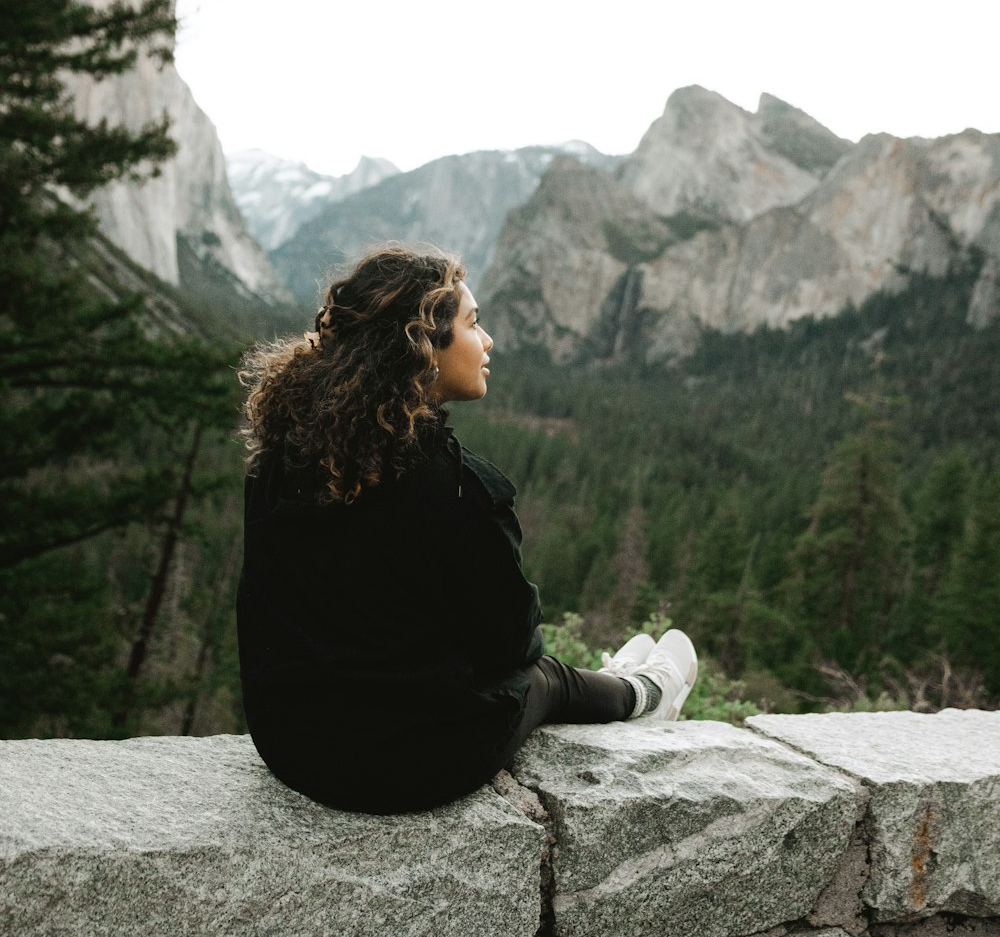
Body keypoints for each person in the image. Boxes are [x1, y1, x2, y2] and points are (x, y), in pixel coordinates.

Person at [237, 244, 697, 814]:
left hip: (291, 745)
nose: (488, 341)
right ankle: (644, 694)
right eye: (473, 324)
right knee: (540, 679)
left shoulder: (282, 458)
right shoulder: (457, 489)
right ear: (422, 348)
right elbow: (514, 646)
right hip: (404, 768)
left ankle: (626, 686)